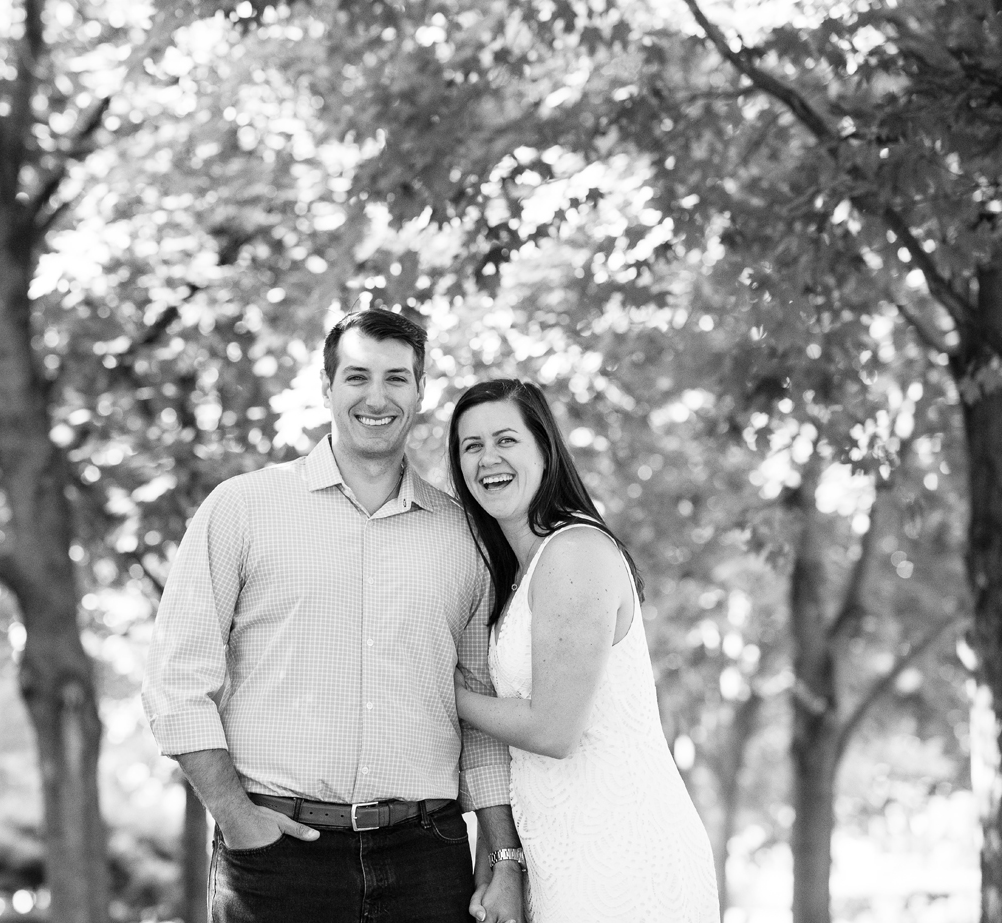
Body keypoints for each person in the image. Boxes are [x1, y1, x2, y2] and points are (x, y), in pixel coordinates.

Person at [143, 308, 526, 923]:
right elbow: (178, 679)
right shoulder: (243, 509)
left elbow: (479, 704)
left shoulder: (465, 534)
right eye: (357, 377)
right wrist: (237, 818)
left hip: (428, 856)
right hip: (277, 855)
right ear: (327, 387)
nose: (377, 397)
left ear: (421, 390)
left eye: (397, 378)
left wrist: (502, 851)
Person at [448, 379, 717, 921]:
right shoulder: (520, 571)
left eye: (506, 440)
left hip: (623, 856)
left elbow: (553, 730)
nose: (488, 459)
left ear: (545, 450)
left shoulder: (574, 553)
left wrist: (436, 686)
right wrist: (506, 860)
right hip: (564, 856)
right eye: (471, 446)